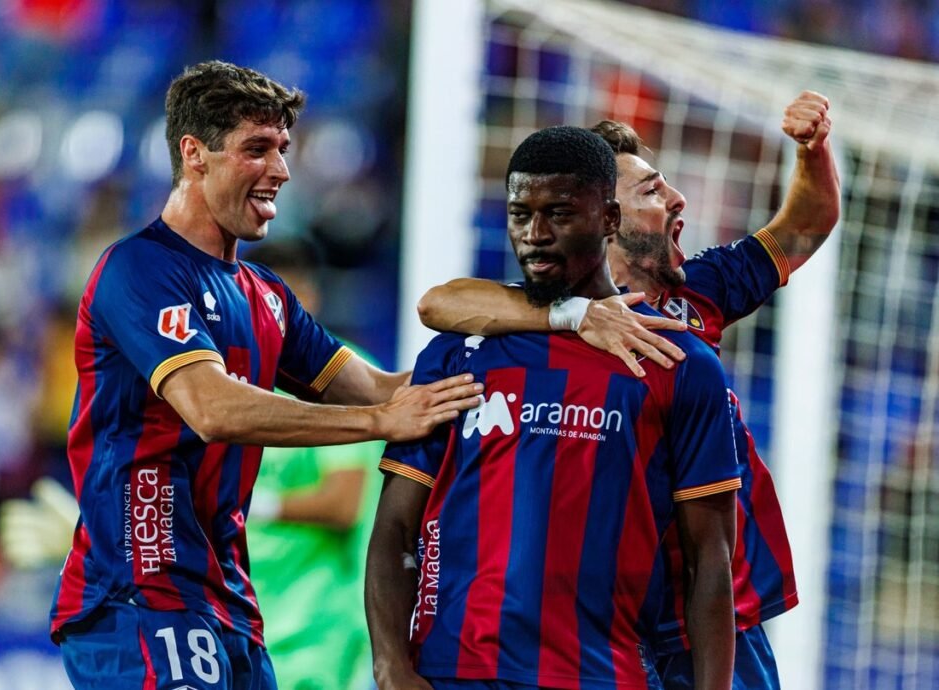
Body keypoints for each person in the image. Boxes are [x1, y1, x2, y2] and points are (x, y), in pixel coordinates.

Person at [49, 60, 483, 690]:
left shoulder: (266, 296)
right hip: (140, 594)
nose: (280, 170)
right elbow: (212, 408)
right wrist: (377, 423)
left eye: (282, 149)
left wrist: (526, 342)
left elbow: (383, 387)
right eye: (257, 149)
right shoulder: (138, 270)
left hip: (229, 606)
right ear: (193, 154)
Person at [416, 91, 840, 689]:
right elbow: (440, 302)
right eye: (651, 191)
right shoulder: (530, 319)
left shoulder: (697, 294)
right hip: (607, 632)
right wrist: (574, 315)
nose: (677, 198)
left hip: (719, 617)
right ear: (605, 218)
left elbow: (803, 226)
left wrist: (812, 151)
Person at [366, 125, 741, 690]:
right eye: (521, 214)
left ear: (609, 219)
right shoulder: (459, 350)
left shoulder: (678, 362)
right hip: (453, 671)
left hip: (600, 675)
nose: (535, 235)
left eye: (560, 214)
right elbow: (395, 527)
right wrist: (392, 665)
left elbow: (709, 561)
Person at [243, 239, 381, 690]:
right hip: (241, 615)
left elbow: (344, 502)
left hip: (315, 630)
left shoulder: (345, 378)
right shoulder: (229, 380)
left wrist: (254, 505)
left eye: (288, 299)